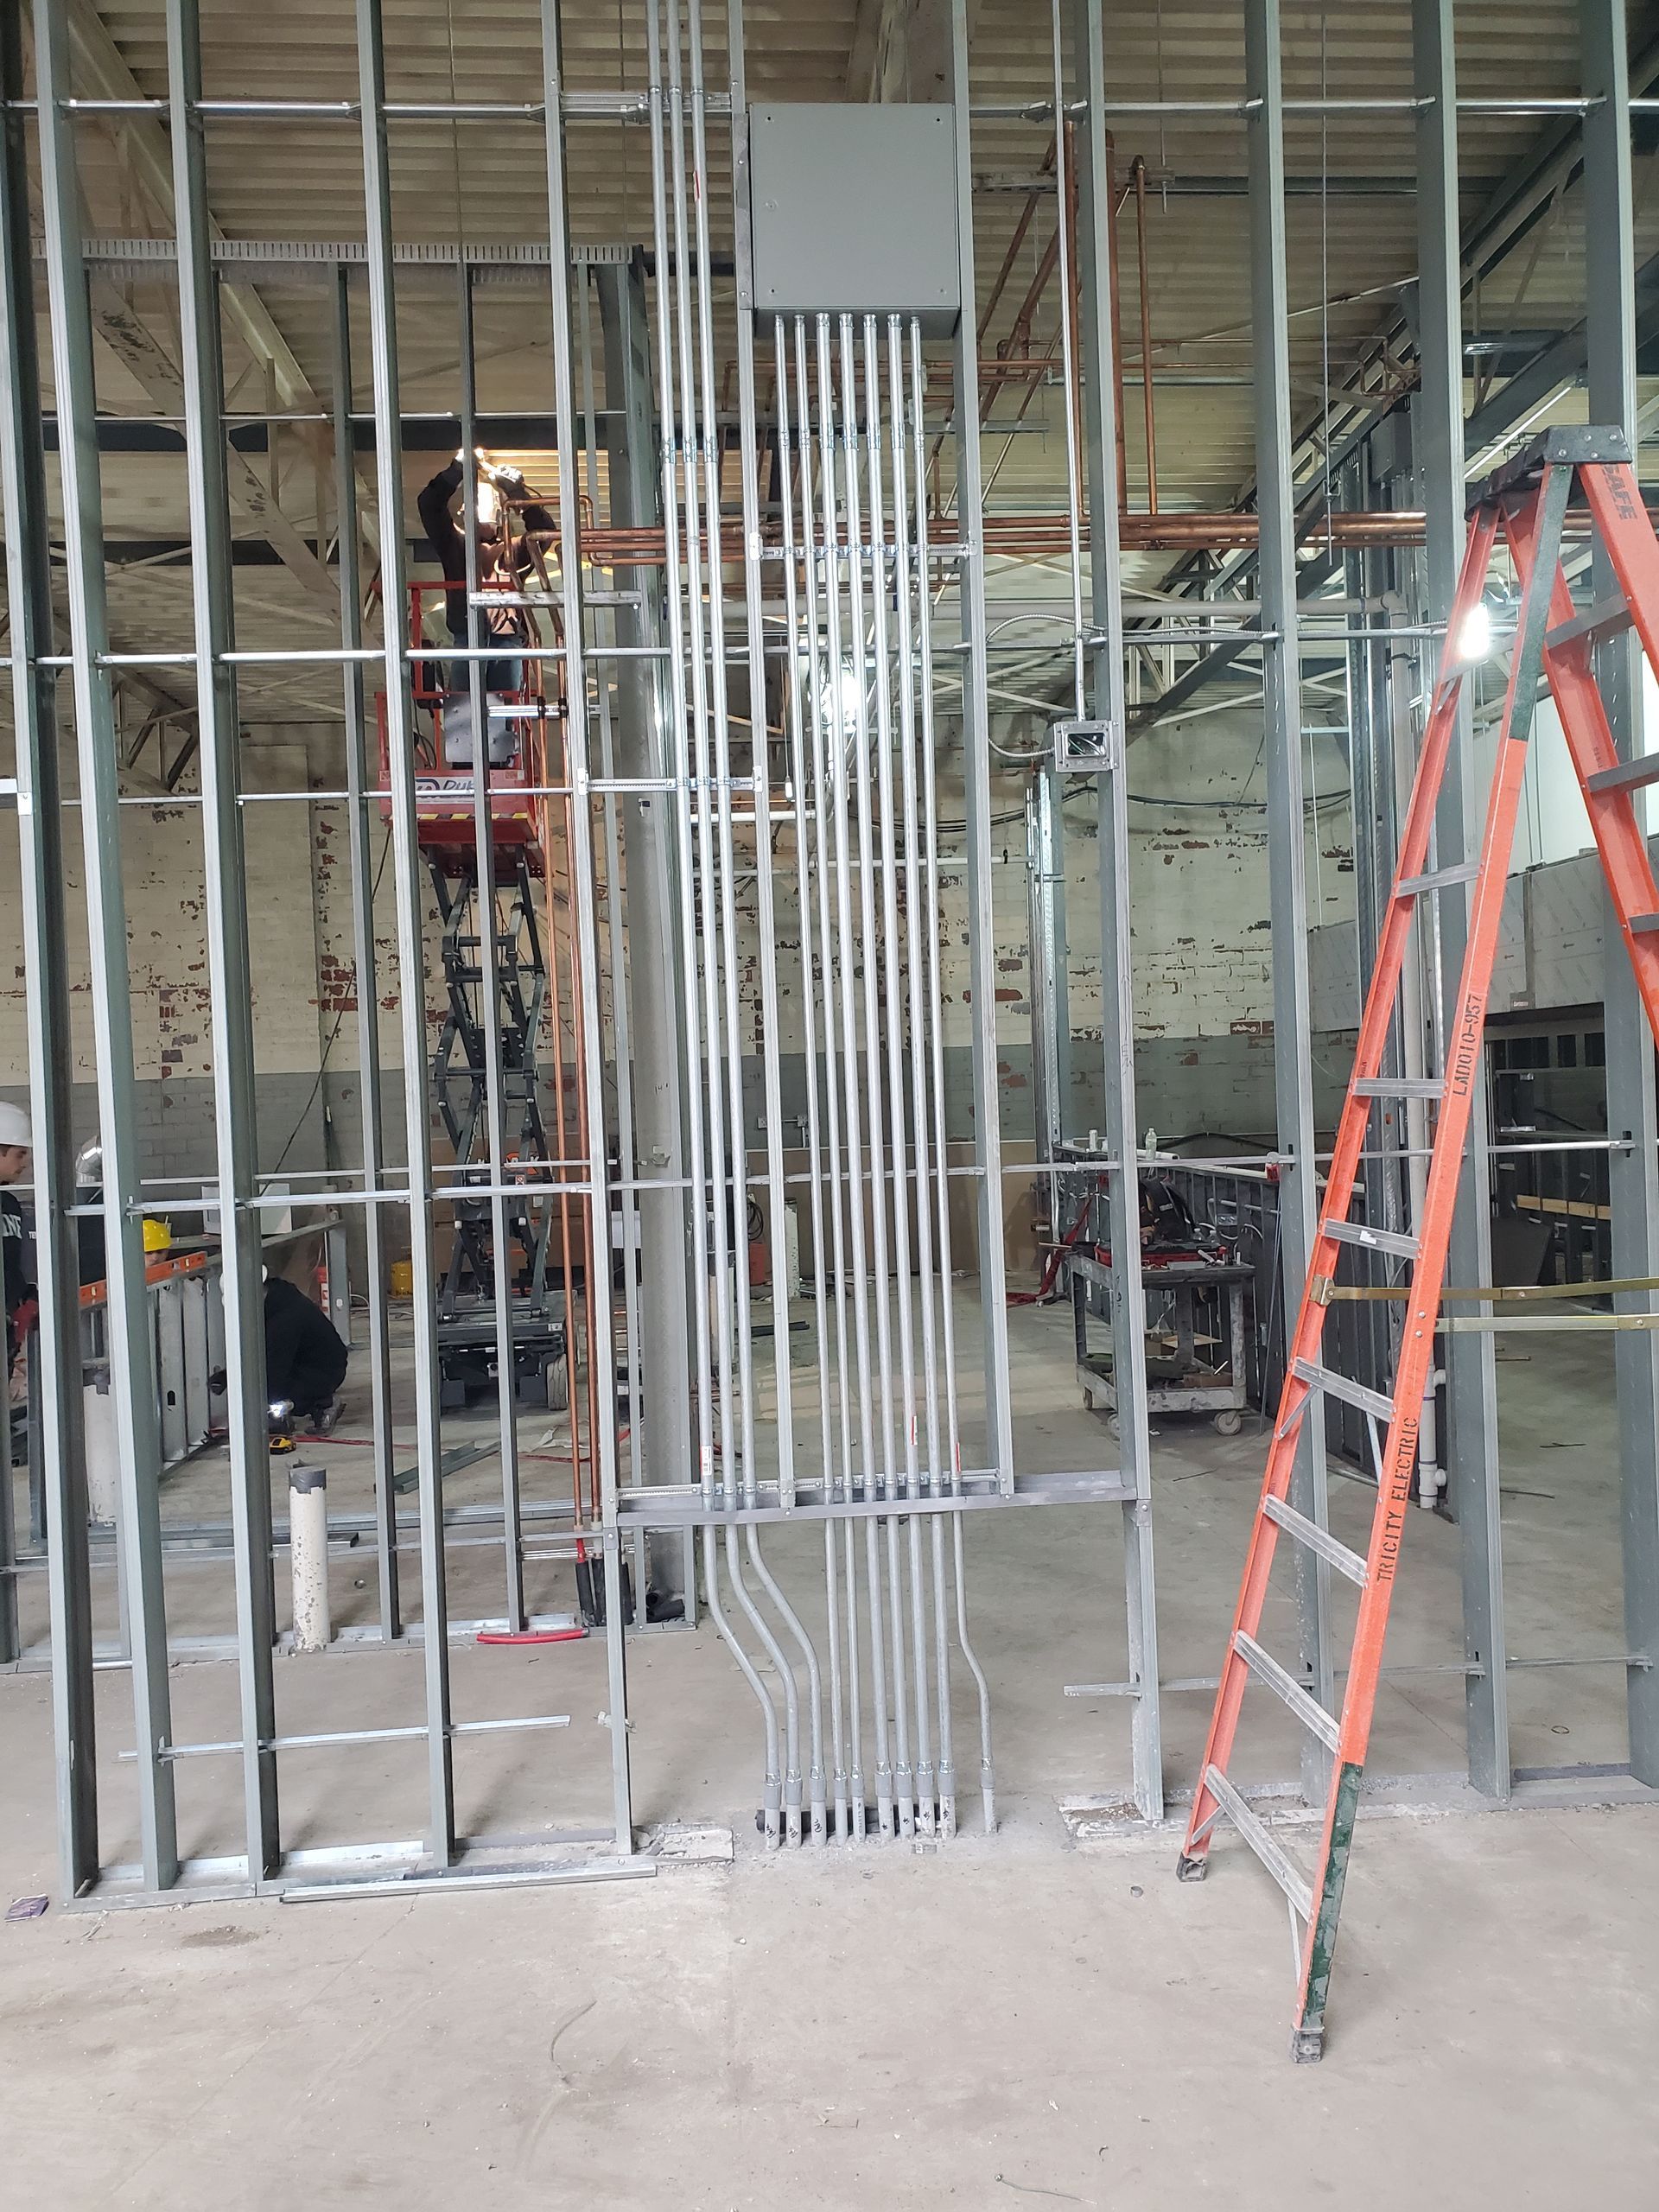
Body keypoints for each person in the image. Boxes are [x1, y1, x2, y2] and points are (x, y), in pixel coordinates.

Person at [416, 448, 556, 698]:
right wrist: (456, 472)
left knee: (499, 711)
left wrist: (519, 495)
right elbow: (429, 504)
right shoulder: (456, 545)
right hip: (468, 639)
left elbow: (544, 532)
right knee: (466, 710)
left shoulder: (512, 550)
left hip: (506, 641)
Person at [264, 1268, 348, 1434]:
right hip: (306, 1363)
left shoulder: (285, 1318)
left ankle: (324, 1403)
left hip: (325, 1371)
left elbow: (276, 1366)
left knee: (274, 1390)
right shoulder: (278, 1301)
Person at [0, 1103, 35, 1401]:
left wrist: (25, 1294)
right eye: (19, 1154)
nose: (25, 1163)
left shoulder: (10, 1203)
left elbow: (11, 1260)